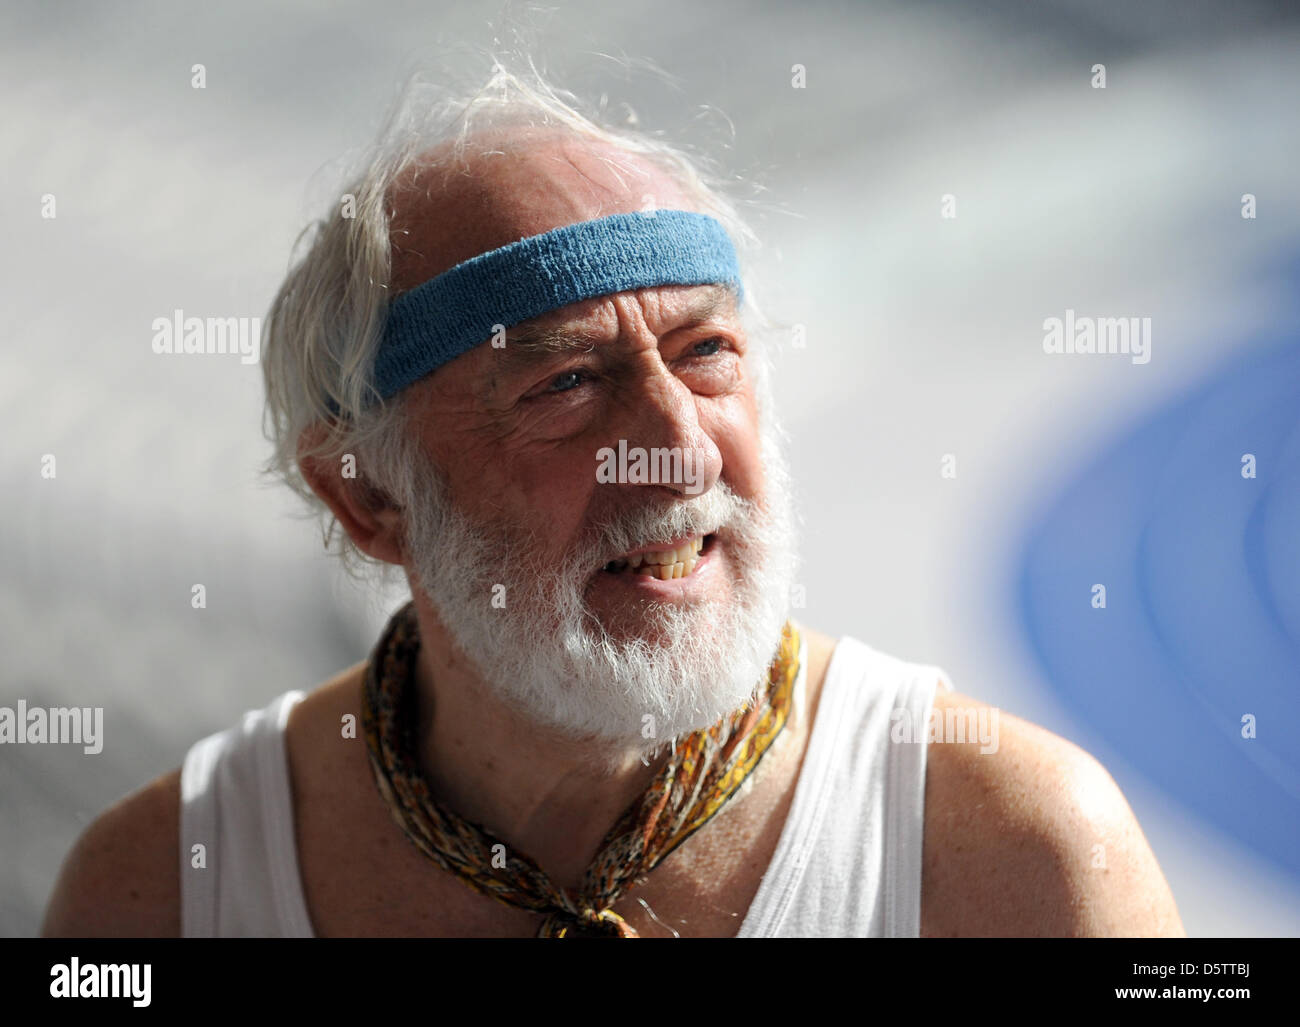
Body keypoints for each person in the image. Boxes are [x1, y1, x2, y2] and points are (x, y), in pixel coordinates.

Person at [42, 63, 1184, 938]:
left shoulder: (1018, 856)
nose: (679, 451)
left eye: (707, 352)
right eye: (566, 384)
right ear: (367, 497)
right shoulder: (162, 890)